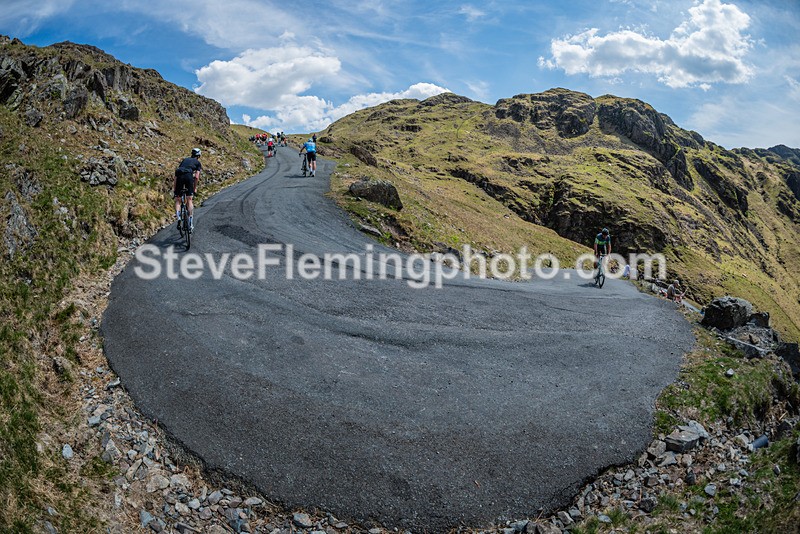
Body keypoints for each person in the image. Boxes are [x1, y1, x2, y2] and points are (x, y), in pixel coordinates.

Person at [173, 148, 202, 231]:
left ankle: (178, 217)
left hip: (179, 175)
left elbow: (176, 176)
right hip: (188, 176)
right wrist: (194, 188)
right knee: (189, 199)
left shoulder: (185, 160)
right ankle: (190, 222)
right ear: (199, 156)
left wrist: (175, 190)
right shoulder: (198, 163)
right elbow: (196, 177)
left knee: (178, 200)